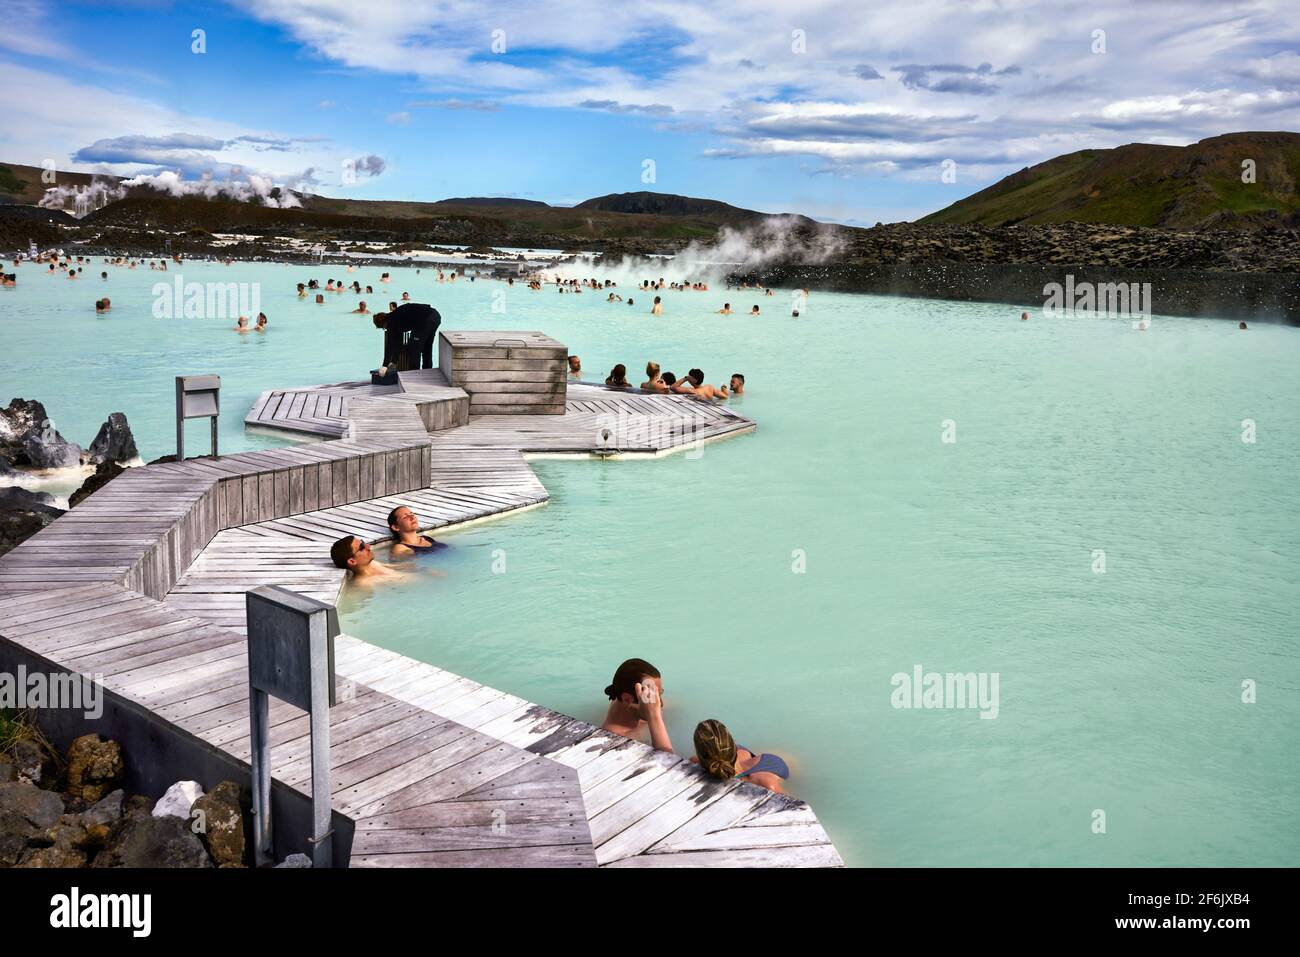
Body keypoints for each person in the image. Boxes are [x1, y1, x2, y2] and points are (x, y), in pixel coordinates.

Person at [691, 719, 788, 793]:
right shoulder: (767, 784)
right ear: (732, 742)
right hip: (767, 765)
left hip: (749, 761)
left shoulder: (694, 762)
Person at [601, 658, 672, 752]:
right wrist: (654, 716)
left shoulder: (621, 699)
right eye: (651, 698)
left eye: (658, 695)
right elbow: (667, 759)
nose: (660, 704)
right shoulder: (618, 739)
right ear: (627, 699)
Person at [374, 302, 442, 374]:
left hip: (426, 320)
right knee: (426, 348)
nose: (385, 329)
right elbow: (399, 343)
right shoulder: (396, 318)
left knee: (414, 348)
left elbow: (390, 346)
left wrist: (384, 365)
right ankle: (427, 372)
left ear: (384, 322)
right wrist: (393, 361)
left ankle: (414, 374)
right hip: (435, 316)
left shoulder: (391, 321)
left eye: (383, 327)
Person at [329, 535, 399, 580]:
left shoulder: (373, 564)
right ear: (352, 561)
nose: (368, 546)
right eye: (362, 547)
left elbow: (401, 567)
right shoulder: (365, 584)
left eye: (363, 542)